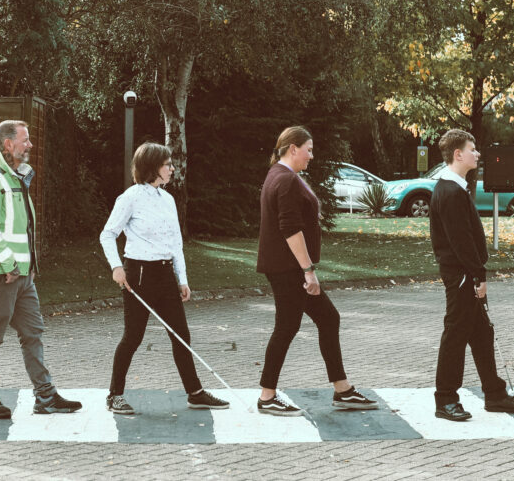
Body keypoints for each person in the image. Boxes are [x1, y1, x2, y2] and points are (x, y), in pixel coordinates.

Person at [0, 120, 81, 418]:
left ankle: (46, 396)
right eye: (25, 140)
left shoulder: (16, 177)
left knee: (33, 332)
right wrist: (10, 264)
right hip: (2, 273)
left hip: (21, 274)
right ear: (8, 145)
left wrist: (25, 268)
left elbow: (20, 228)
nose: (30, 145)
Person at [99, 142, 229, 415]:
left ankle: (195, 393)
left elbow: (176, 243)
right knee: (133, 337)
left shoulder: (167, 199)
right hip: (139, 274)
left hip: (165, 273)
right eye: (167, 164)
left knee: (181, 335)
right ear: (152, 167)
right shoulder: (130, 197)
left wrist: (182, 278)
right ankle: (115, 395)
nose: (172, 168)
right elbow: (108, 234)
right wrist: (116, 267)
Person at [255, 126, 377, 416]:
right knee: (287, 327)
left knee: (328, 319)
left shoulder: (281, 175)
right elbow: (289, 229)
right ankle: (267, 396)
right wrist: (308, 270)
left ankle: (342, 390)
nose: (311, 155)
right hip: (289, 269)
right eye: (308, 149)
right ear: (292, 148)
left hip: (287, 267)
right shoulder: (284, 179)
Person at [430, 129, 514, 421]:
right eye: (472, 149)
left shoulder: (455, 187)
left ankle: (495, 394)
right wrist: (478, 276)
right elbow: (460, 241)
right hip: (461, 275)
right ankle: (445, 399)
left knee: (483, 334)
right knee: (455, 336)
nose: (477, 154)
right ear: (457, 154)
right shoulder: (448, 191)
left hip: (464, 274)